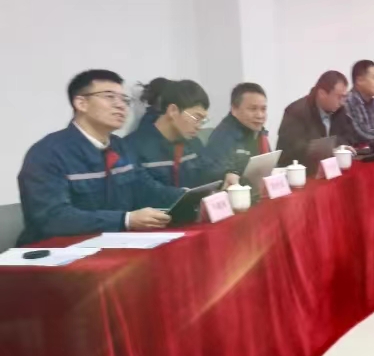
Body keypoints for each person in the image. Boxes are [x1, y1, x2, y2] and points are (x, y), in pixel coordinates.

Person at [17, 70, 185, 245]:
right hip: (57, 252)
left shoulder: (120, 146)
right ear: (81, 103)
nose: (121, 106)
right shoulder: (48, 153)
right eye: (109, 97)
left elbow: (147, 188)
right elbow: (53, 217)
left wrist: (190, 197)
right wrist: (125, 220)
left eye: (124, 100)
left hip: (112, 244)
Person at [124, 79, 236, 189]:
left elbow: (207, 170)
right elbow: (147, 191)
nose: (199, 126)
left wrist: (226, 174)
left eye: (203, 121)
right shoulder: (131, 147)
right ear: (173, 111)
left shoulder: (193, 143)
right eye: (196, 118)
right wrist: (184, 195)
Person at [277, 71, 359, 171]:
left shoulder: (339, 110)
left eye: (345, 97)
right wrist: (330, 150)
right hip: (299, 171)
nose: (342, 102)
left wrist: (340, 148)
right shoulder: (296, 112)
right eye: (339, 97)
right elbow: (295, 149)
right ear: (322, 94)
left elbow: (348, 136)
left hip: (329, 169)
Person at [206, 82, 271, 176]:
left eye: (263, 109)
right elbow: (219, 175)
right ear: (234, 109)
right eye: (253, 109)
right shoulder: (223, 137)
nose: (260, 115)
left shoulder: (259, 132)